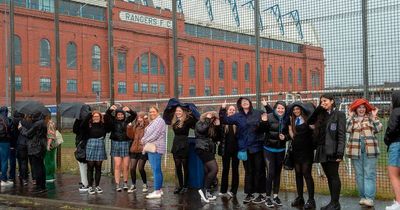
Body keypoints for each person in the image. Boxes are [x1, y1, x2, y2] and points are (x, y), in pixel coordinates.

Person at [219, 97, 267, 204]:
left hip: (257, 146)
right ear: (240, 105)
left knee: (259, 170)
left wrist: (267, 106)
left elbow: (268, 122)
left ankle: (261, 194)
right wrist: (222, 109)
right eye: (242, 102)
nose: (244, 102)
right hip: (245, 148)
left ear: (250, 102)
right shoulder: (237, 116)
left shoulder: (258, 112)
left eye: (246, 101)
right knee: (248, 171)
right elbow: (224, 120)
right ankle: (249, 194)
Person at [308, 94, 346, 210]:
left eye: (325, 100)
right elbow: (310, 121)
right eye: (321, 101)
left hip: (333, 150)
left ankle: (335, 203)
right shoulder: (321, 114)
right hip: (322, 149)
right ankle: (332, 203)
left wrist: (340, 153)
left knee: (334, 176)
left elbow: (341, 135)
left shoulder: (339, 114)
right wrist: (318, 109)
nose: (323, 102)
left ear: (332, 101)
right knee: (329, 176)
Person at [346, 98, 382, 207]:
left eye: (363, 107)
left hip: (370, 149)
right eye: (359, 107)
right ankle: (363, 197)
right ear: (355, 109)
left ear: (365, 109)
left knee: (369, 173)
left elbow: (379, 129)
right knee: (359, 174)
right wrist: (350, 116)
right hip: (355, 149)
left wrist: (374, 117)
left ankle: (369, 198)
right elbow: (346, 128)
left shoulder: (370, 118)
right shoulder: (352, 119)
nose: (361, 109)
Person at [288, 102, 316, 209]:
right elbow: (293, 137)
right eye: (294, 109)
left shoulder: (308, 119)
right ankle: (300, 197)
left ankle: (311, 200)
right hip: (296, 150)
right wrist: (290, 129)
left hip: (307, 150)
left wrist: (313, 127)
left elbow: (314, 130)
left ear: (301, 110)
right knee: (298, 173)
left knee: (306, 173)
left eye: (297, 109)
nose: (295, 111)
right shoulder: (293, 121)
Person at [263, 101, 289, 207]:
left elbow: (290, 134)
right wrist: (263, 122)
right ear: (275, 108)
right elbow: (261, 130)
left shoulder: (287, 119)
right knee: (270, 173)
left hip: (280, 150)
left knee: (278, 173)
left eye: (282, 108)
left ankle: (275, 196)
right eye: (278, 108)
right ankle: (267, 197)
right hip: (268, 150)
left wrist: (285, 137)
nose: (280, 110)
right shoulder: (268, 116)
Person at [106, 105, 136, 192]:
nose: (120, 116)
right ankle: (117, 184)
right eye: (118, 115)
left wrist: (129, 110)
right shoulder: (113, 121)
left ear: (124, 115)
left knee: (126, 166)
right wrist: (110, 109)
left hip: (126, 143)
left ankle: (125, 183)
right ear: (116, 115)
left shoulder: (127, 120)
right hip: (115, 144)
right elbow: (107, 115)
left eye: (121, 114)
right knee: (118, 165)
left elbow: (134, 115)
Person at [195, 111, 222, 203]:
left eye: (213, 117)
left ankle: (206, 192)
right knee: (214, 169)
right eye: (211, 115)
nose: (212, 118)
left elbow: (217, 138)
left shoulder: (211, 125)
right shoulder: (200, 122)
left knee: (208, 171)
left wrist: (218, 126)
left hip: (209, 149)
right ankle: (203, 191)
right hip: (202, 148)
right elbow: (201, 130)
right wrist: (207, 119)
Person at [170, 106, 198, 194]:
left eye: (179, 111)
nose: (177, 112)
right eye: (176, 111)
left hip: (184, 144)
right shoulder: (175, 121)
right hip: (176, 144)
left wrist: (190, 112)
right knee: (178, 166)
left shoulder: (187, 120)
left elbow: (195, 120)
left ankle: (186, 186)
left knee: (185, 166)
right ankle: (180, 186)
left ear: (183, 112)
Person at [141, 106, 167, 199]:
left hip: (155, 148)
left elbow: (155, 135)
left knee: (156, 170)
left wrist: (143, 140)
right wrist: (145, 139)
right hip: (153, 147)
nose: (151, 113)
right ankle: (159, 189)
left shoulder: (159, 121)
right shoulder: (154, 121)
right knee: (157, 170)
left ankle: (157, 191)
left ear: (158, 112)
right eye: (150, 112)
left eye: (153, 111)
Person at [81, 110, 109, 195]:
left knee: (98, 166)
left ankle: (97, 186)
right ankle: (90, 186)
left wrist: (108, 112)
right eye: (94, 116)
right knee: (90, 166)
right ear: (92, 118)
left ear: (100, 117)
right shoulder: (88, 125)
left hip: (100, 144)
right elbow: (82, 125)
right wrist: (89, 114)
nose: (96, 118)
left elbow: (110, 125)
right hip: (90, 145)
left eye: (98, 116)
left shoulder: (103, 125)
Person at [19, 112, 48, 193]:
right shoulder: (43, 122)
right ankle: (42, 185)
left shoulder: (37, 124)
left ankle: (39, 187)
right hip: (41, 147)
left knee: (37, 167)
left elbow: (28, 134)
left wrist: (21, 128)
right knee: (41, 166)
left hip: (35, 147)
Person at [218, 105, 239, 198]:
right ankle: (223, 190)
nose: (232, 111)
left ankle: (233, 191)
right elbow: (221, 117)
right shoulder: (224, 123)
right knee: (225, 169)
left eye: (233, 110)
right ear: (227, 111)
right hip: (225, 151)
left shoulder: (238, 123)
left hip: (236, 151)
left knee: (235, 170)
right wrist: (222, 108)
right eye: (230, 109)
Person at [384, 91, 400, 210]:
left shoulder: (396, 111)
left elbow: (391, 129)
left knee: (394, 175)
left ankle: (398, 203)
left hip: (396, 145)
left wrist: (387, 139)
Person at [126, 112, 149, 193]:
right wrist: (129, 128)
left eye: (141, 117)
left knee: (140, 168)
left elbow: (149, 130)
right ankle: (133, 185)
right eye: (138, 118)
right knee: (132, 168)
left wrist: (145, 120)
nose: (139, 119)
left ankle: (145, 184)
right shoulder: (135, 126)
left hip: (143, 150)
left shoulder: (147, 126)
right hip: (134, 149)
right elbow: (130, 136)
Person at [73, 104, 91, 192]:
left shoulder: (88, 121)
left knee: (83, 164)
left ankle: (85, 183)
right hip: (81, 143)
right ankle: (85, 181)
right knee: (84, 164)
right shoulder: (80, 120)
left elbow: (78, 130)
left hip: (83, 144)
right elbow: (75, 130)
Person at [14, 111, 29, 186]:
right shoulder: (29, 123)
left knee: (21, 161)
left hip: (20, 143)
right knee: (25, 161)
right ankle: (25, 176)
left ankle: (23, 177)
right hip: (27, 144)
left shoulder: (18, 123)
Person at [0, 106, 14, 187]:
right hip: (5, 142)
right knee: (4, 161)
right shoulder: (8, 120)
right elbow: (11, 132)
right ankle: (3, 180)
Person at [44, 115, 57, 182]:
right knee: (52, 160)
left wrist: (48, 145)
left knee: (48, 161)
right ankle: (52, 175)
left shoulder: (49, 124)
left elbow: (50, 136)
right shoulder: (52, 122)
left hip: (50, 144)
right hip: (54, 144)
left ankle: (48, 176)